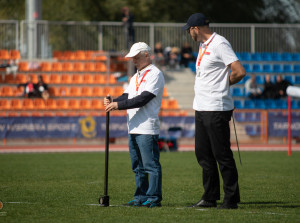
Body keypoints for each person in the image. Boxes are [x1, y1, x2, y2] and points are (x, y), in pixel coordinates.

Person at [183, 13, 246, 209]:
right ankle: (210, 197)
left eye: (189, 30)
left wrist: (223, 85)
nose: (188, 34)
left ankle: (231, 198)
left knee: (222, 154)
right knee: (203, 154)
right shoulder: (203, 45)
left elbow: (239, 71)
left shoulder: (219, 43)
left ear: (196, 29)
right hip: (201, 107)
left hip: (216, 107)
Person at [104, 42, 165, 208]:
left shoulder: (155, 74)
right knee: (137, 166)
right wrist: (113, 101)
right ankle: (140, 197)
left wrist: (118, 106)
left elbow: (143, 98)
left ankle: (153, 198)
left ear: (147, 55)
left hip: (147, 127)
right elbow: (127, 96)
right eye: (132, 58)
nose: (134, 61)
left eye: (136, 57)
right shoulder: (136, 76)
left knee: (150, 165)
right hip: (133, 126)